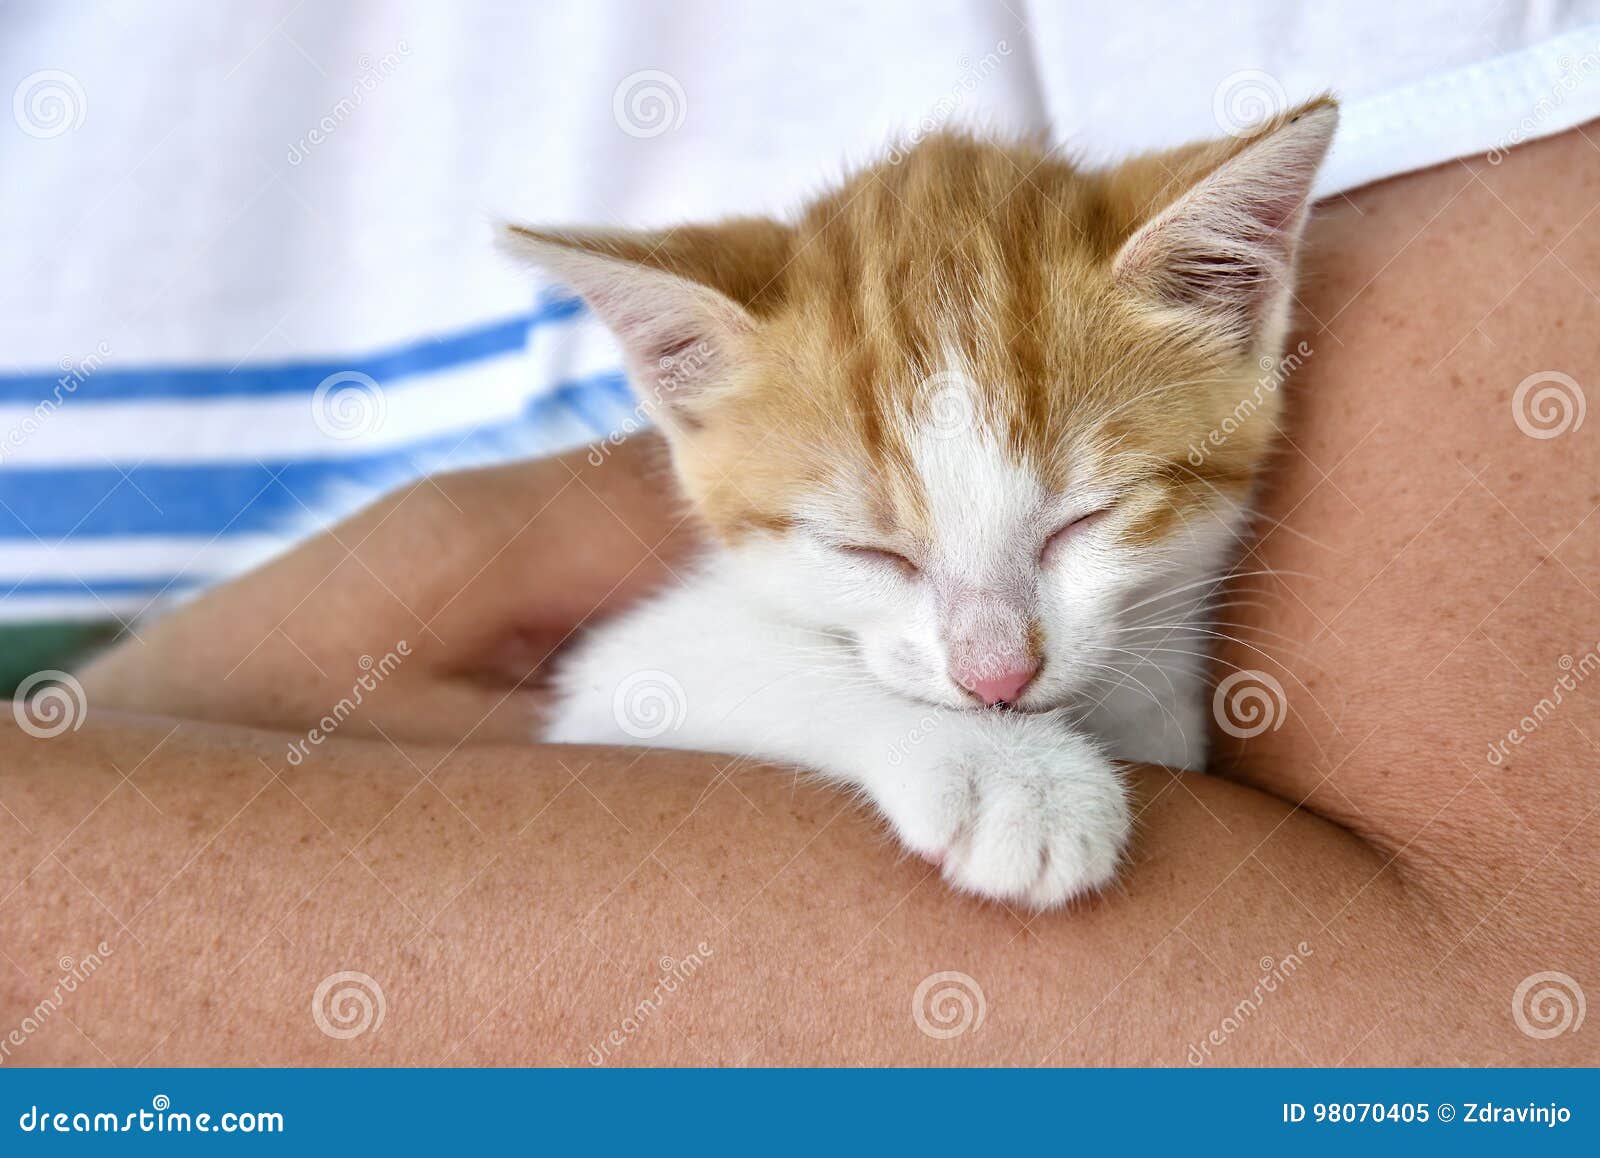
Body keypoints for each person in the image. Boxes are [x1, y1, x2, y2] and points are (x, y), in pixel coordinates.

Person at [4, 120, 1596, 1064]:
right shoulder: (730, 556)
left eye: (1083, 523)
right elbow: (631, 696)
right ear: (680, 385)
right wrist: (902, 749)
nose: (996, 656)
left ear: (1238, 299)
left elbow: (1507, 1063)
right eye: (876, 553)